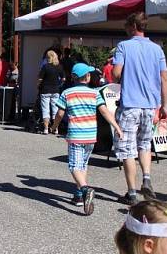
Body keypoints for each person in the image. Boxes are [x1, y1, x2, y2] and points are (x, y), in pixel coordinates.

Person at [112, 12, 167, 205]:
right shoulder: (157, 49)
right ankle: (146, 177)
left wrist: (118, 72)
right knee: (145, 144)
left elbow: (116, 73)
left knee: (127, 149)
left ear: (131, 27)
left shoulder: (123, 46)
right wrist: (164, 105)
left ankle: (131, 193)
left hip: (130, 104)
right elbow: (164, 78)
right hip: (150, 106)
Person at [51, 63, 122, 212]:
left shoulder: (67, 93)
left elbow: (60, 114)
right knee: (83, 164)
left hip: (76, 135)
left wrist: (54, 126)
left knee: (74, 166)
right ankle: (78, 195)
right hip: (90, 135)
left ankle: (84, 189)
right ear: (88, 77)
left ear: (73, 77)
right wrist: (116, 127)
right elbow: (104, 112)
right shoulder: (95, 93)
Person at [38, 50, 64, 134]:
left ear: (48, 58)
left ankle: (46, 129)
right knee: (55, 110)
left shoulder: (45, 67)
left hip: (45, 90)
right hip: (55, 90)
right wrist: (59, 84)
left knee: (45, 110)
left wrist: (38, 85)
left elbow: (40, 79)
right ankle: (55, 129)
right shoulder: (59, 67)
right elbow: (63, 78)